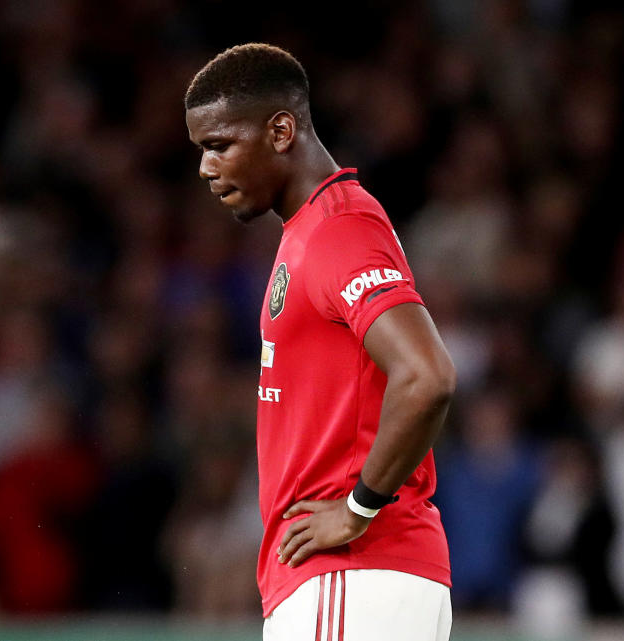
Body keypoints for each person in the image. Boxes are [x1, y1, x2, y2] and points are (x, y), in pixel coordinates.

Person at [184, 44, 457, 640]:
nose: (206, 168)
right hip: (359, 583)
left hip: (353, 573)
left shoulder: (339, 230)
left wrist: (357, 509)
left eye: (219, 145)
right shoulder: (311, 231)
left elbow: (427, 375)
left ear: (281, 130)